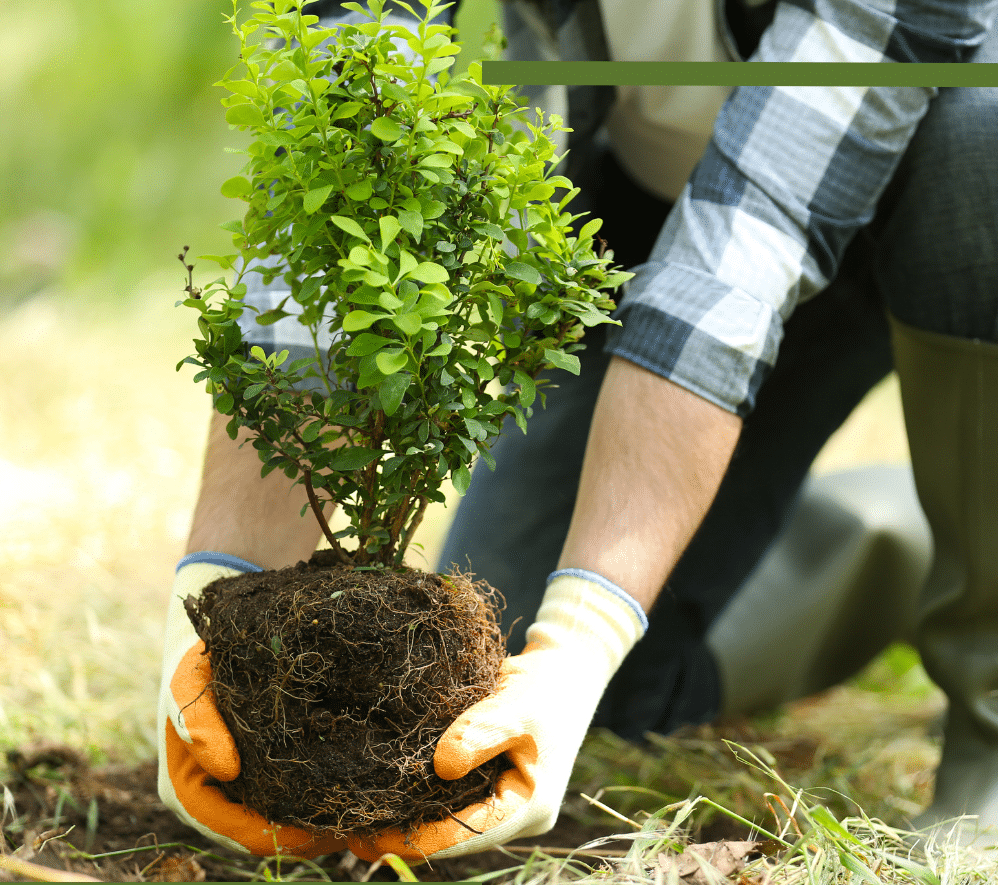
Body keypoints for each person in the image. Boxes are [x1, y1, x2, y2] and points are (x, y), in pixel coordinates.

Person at [157, 0, 998, 862]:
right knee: (541, 686)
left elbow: (749, 238)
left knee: (984, 128)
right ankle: (906, 538)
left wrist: (586, 629)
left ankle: (990, 709)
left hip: (925, 206)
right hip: (652, 212)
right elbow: (341, 130)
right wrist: (218, 597)